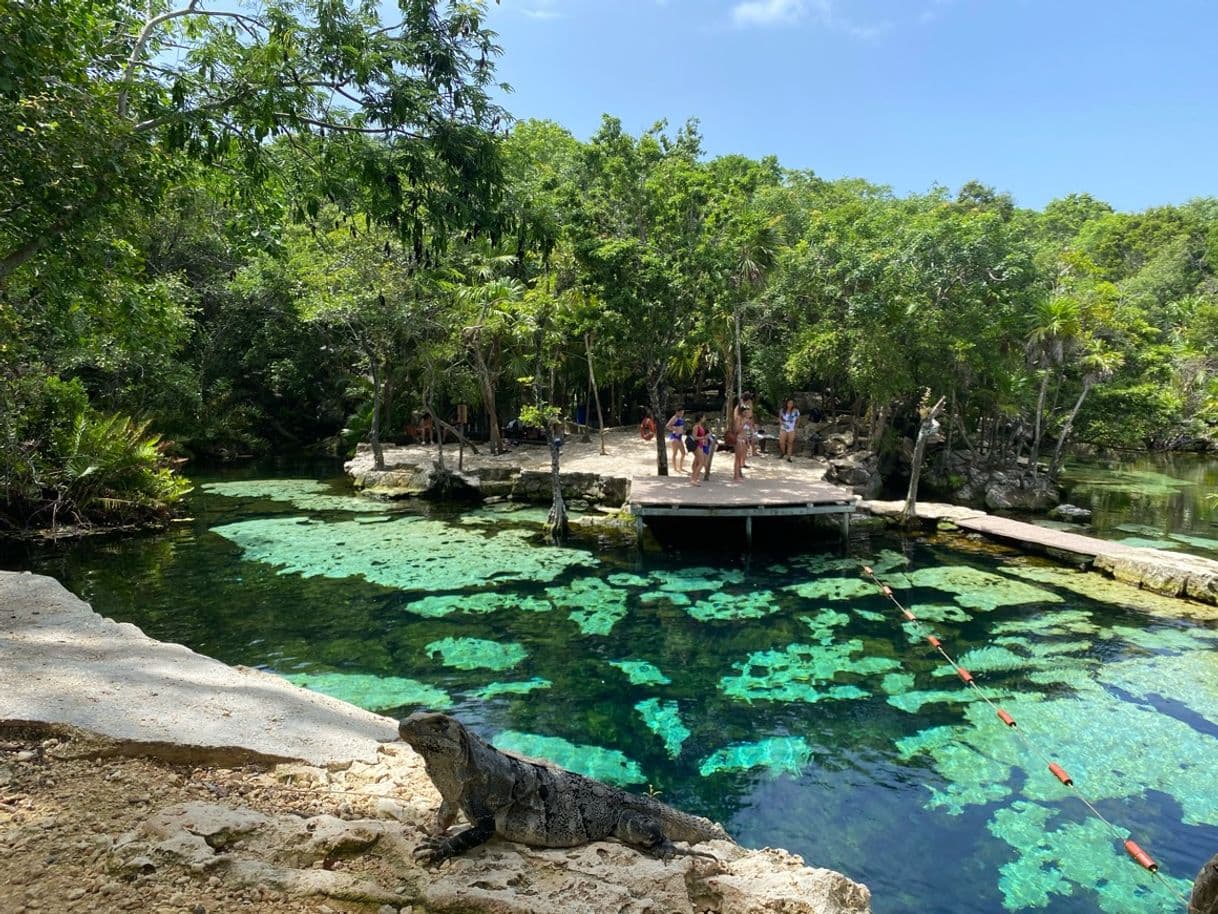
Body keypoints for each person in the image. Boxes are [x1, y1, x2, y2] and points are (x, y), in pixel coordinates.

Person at [732, 393, 753, 481]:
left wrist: (748, 441)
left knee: (741, 458)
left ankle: (739, 473)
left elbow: (746, 431)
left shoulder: (746, 419)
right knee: (737, 458)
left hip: (744, 439)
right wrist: (744, 424)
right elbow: (737, 430)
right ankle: (736, 475)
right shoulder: (739, 419)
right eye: (746, 411)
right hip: (739, 439)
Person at [689, 413, 710, 486]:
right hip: (697, 445)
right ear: (701, 418)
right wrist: (704, 437)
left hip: (701, 445)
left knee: (697, 462)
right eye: (704, 417)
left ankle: (694, 478)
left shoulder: (700, 426)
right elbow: (694, 437)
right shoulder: (696, 426)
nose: (705, 418)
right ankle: (694, 479)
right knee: (701, 462)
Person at [665, 407, 687, 473]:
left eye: (683, 413)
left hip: (680, 437)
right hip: (675, 437)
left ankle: (680, 467)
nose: (682, 414)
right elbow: (667, 426)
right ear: (677, 412)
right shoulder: (674, 418)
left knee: (683, 453)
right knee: (675, 453)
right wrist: (674, 429)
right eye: (681, 413)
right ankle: (675, 468)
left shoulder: (680, 418)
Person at [779, 398, 800, 462]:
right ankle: (783, 452)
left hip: (791, 429)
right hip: (783, 428)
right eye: (789, 403)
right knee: (781, 442)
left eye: (792, 403)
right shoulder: (782, 410)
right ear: (786, 403)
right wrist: (781, 423)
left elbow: (798, 419)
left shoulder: (796, 411)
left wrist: (796, 427)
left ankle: (789, 457)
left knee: (790, 443)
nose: (790, 404)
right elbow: (780, 418)